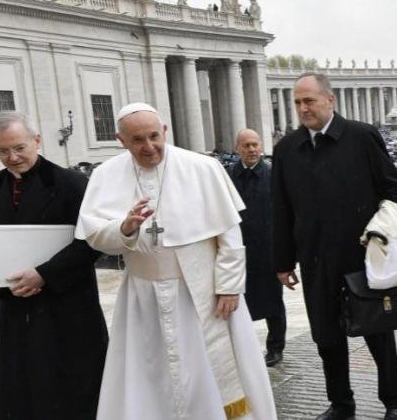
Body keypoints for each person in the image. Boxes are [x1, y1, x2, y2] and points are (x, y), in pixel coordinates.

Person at [76, 103, 275, 420]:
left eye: (154, 136)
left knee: (206, 371)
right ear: (121, 140)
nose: (149, 146)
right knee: (151, 374)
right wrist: (125, 227)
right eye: (138, 140)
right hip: (143, 298)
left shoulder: (203, 168)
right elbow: (96, 238)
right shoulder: (105, 175)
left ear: (165, 131)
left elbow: (230, 236)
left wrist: (229, 286)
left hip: (204, 292)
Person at [271, 73, 397, 420]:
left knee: (378, 333)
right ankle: (341, 404)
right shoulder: (287, 148)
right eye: (298, 102)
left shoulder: (362, 137)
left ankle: (394, 403)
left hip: (362, 258)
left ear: (330, 100)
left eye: (309, 100)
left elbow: (393, 192)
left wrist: (382, 238)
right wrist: (283, 262)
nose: (303, 108)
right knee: (327, 337)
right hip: (315, 260)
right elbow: (281, 209)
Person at [0, 112, 108, 418]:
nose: (13, 157)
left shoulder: (72, 183)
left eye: (19, 147)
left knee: (72, 389)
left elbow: (91, 242)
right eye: (2, 151)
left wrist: (44, 275)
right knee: (21, 387)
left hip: (68, 304)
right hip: (17, 302)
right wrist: (7, 283)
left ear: (37, 140)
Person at [228, 129, 287, 368]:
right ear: (238, 148)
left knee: (274, 302)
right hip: (239, 251)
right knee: (239, 302)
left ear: (261, 147)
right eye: (246, 146)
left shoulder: (273, 175)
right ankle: (245, 348)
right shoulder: (228, 176)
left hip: (269, 251)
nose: (252, 150)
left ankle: (276, 347)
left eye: (255, 145)